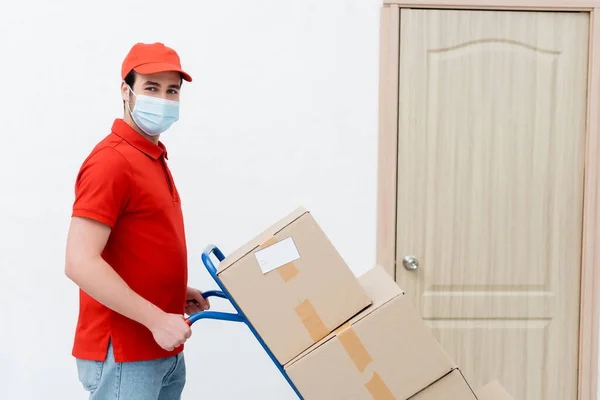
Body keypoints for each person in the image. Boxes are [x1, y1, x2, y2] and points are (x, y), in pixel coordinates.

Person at [64, 42, 209, 400]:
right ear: (125, 91)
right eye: (151, 88)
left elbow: (137, 246)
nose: (163, 98)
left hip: (161, 346)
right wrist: (157, 319)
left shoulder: (150, 156)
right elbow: (79, 262)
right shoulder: (112, 162)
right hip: (126, 351)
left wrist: (172, 295)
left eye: (171, 90)